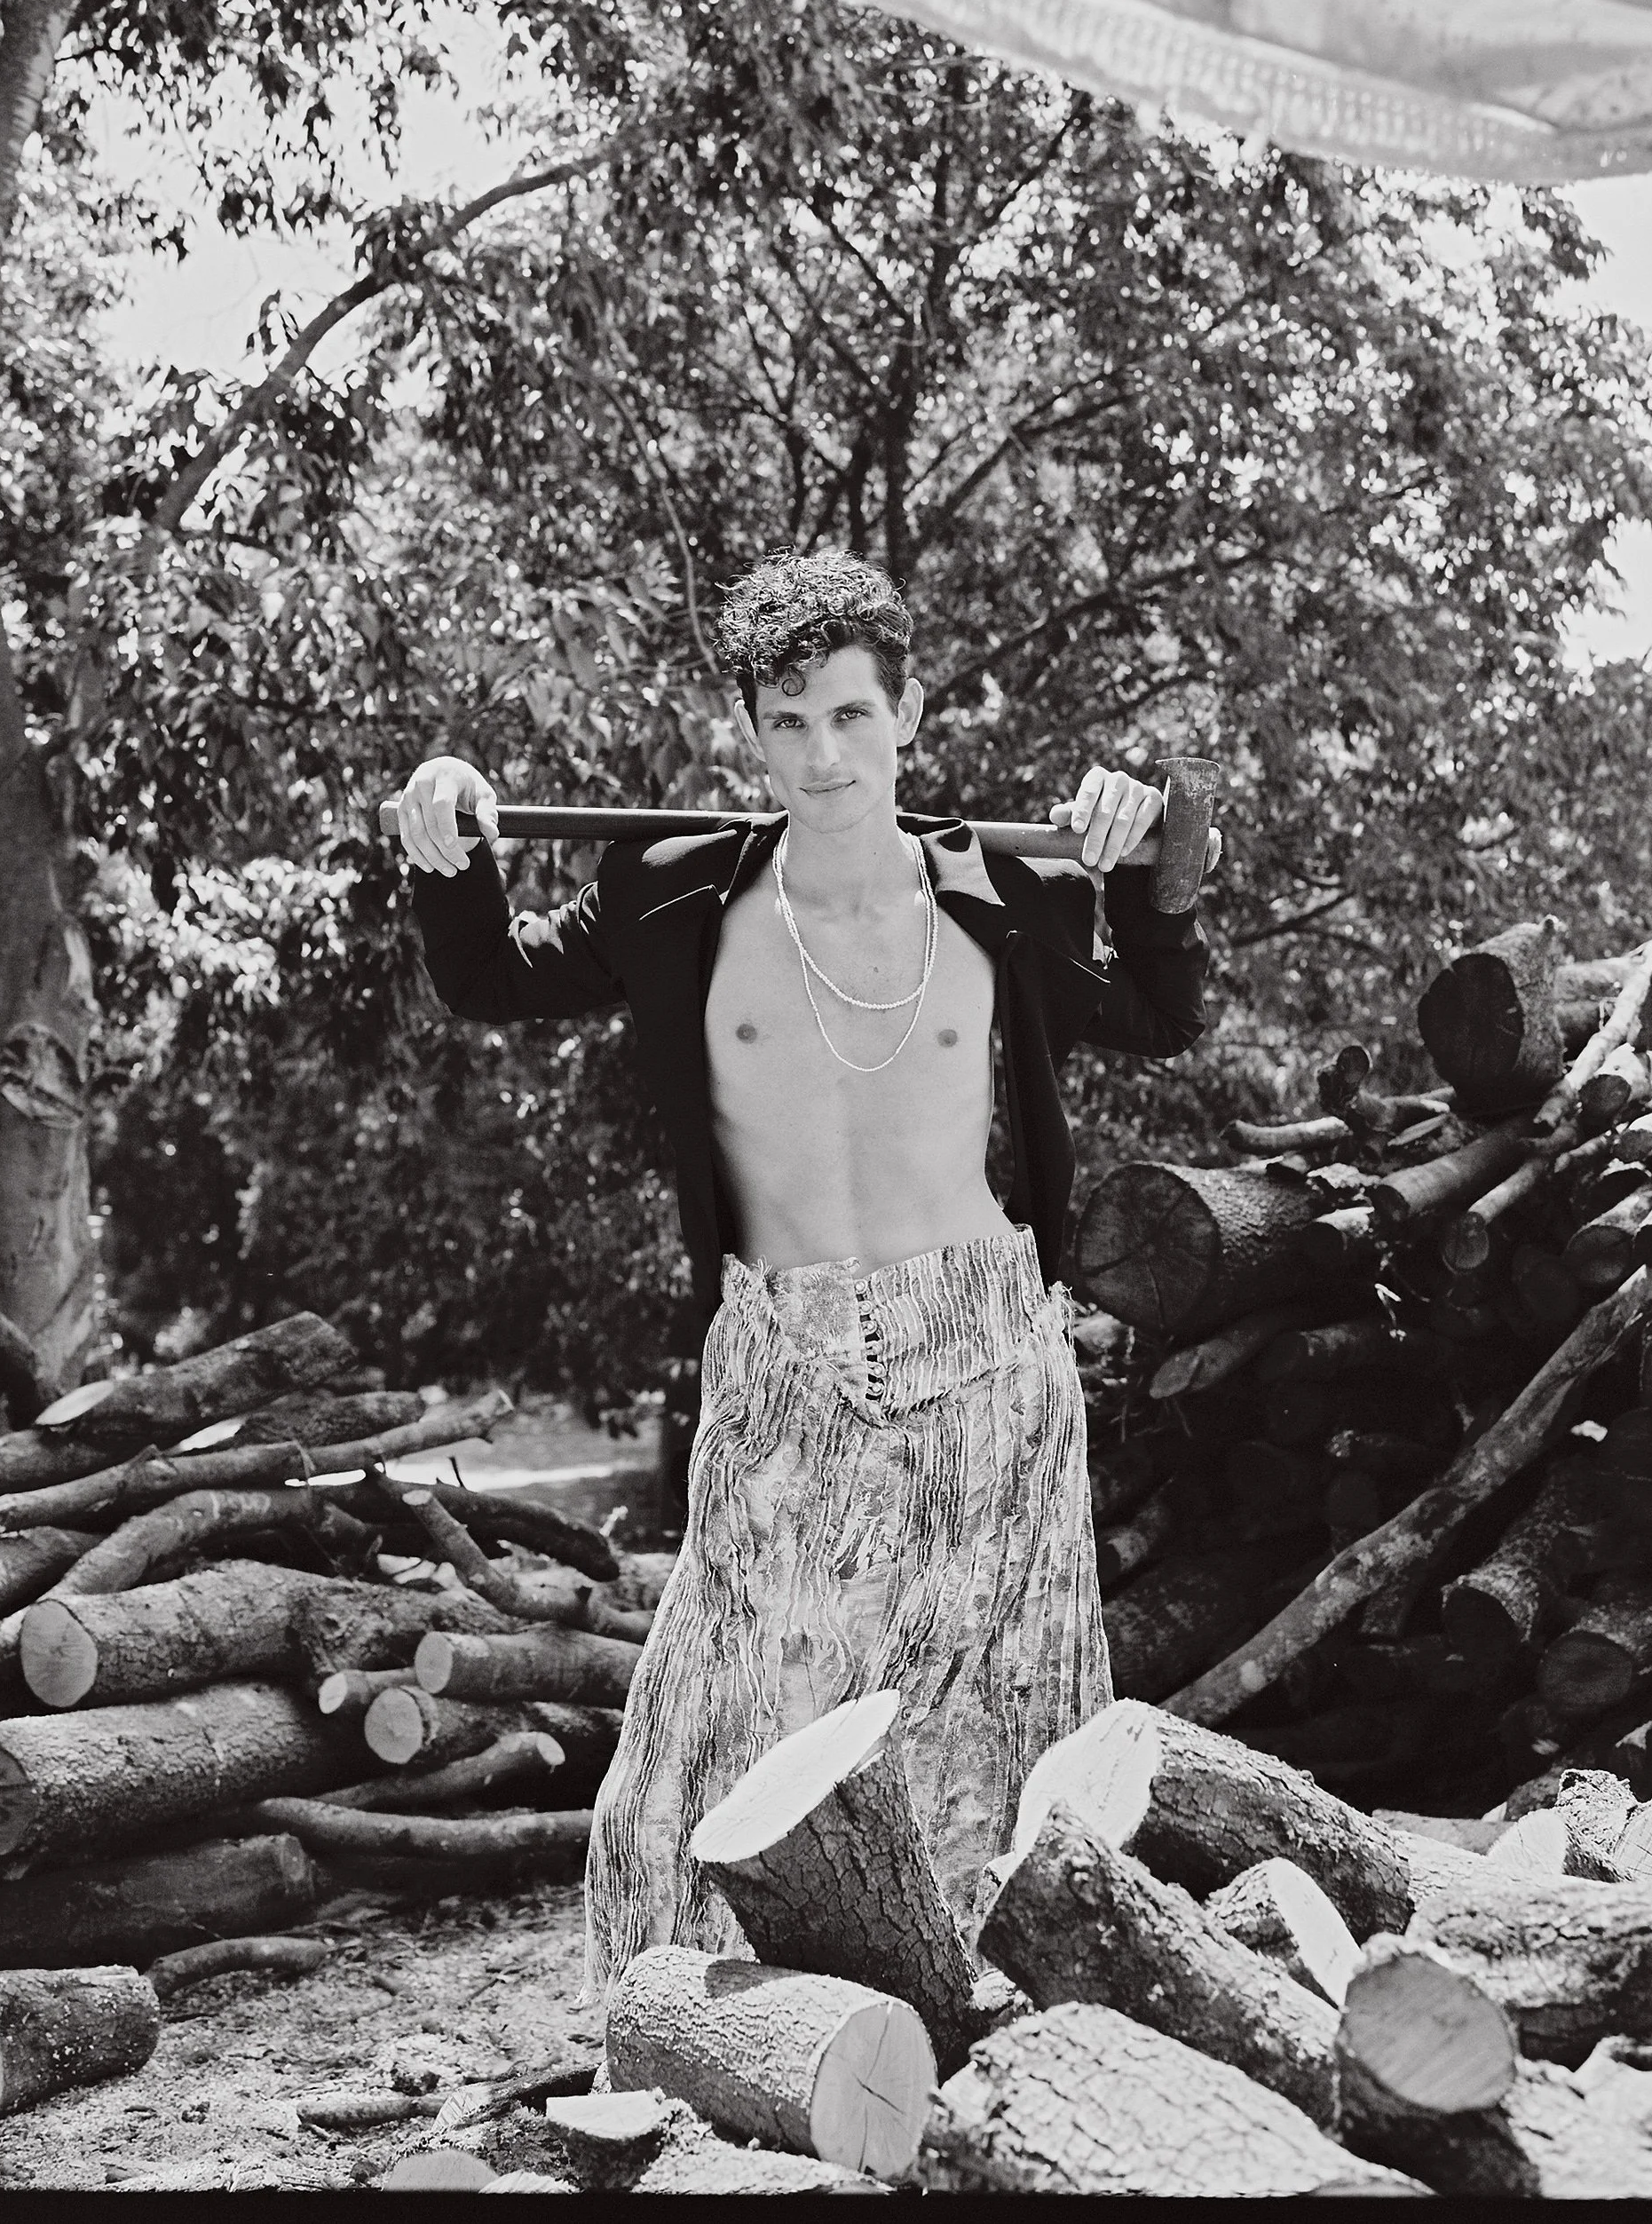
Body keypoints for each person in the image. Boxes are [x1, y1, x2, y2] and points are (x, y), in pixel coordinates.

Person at [394, 549, 1214, 1996]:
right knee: (705, 1748)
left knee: (1001, 1737)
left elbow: (1160, 1011)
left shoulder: (1001, 891)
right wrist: (446, 839)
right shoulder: (670, 901)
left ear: (906, 720)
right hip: (783, 1358)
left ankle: (999, 2032)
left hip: (986, 1360)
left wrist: (1152, 849)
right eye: (788, 721)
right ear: (753, 734)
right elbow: (488, 978)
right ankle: (689, 2031)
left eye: (850, 715)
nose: (822, 753)